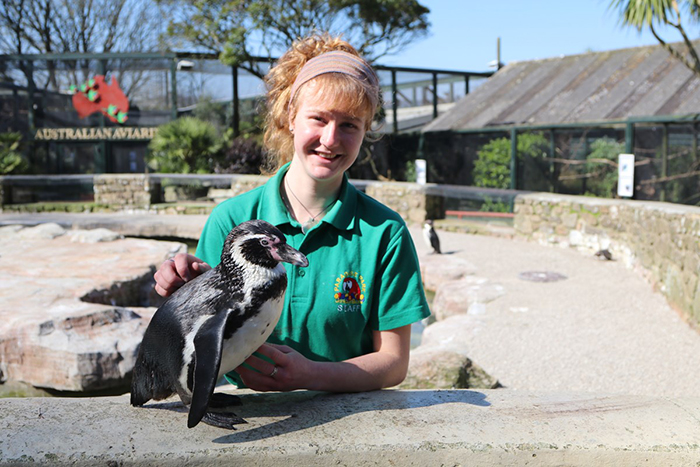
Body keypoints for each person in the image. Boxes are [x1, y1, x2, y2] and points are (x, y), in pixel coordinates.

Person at [153, 33, 430, 393]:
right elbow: (196, 337)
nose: (331, 139)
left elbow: (393, 362)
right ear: (291, 116)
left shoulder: (385, 232)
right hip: (251, 418)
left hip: (351, 421)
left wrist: (310, 375)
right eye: (318, 119)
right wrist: (181, 287)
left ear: (366, 132)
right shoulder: (231, 219)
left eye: (349, 124)